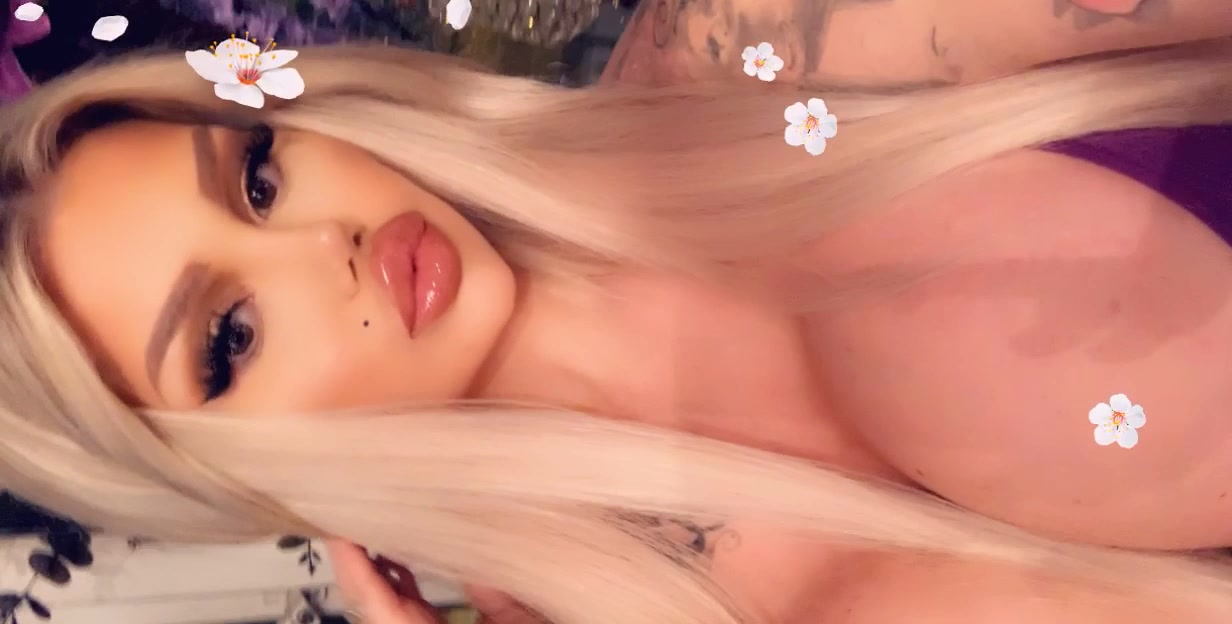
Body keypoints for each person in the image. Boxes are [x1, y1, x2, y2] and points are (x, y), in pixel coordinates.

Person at [0, 0, 1231, 621]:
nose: (328, 249)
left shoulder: (751, 55)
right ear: (233, 477)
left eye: (259, 178)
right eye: (229, 337)